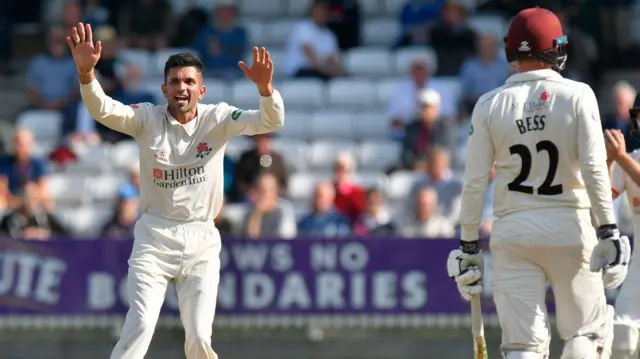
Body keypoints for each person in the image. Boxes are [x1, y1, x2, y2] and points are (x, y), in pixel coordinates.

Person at [65, 22, 285, 359]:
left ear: (202, 90)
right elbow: (104, 110)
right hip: (154, 237)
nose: (181, 88)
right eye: (174, 82)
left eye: (189, 82)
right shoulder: (147, 118)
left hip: (201, 240)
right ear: (164, 90)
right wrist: (86, 75)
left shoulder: (219, 118)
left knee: (199, 338)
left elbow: (270, 122)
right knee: (139, 326)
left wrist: (266, 89)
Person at [445, 8, 631, 359]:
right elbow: (593, 168)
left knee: (523, 349)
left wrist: (468, 246)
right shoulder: (578, 94)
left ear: (510, 51)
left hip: (513, 232)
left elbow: (473, 183)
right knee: (584, 337)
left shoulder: (488, 104)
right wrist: (608, 229)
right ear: (557, 49)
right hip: (570, 228)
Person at [605, 99, 640, 359]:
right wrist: (608, 161)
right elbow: (604, 201)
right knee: (622, 341)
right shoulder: (631, 160)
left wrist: (620, 158)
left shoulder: (628, 161)